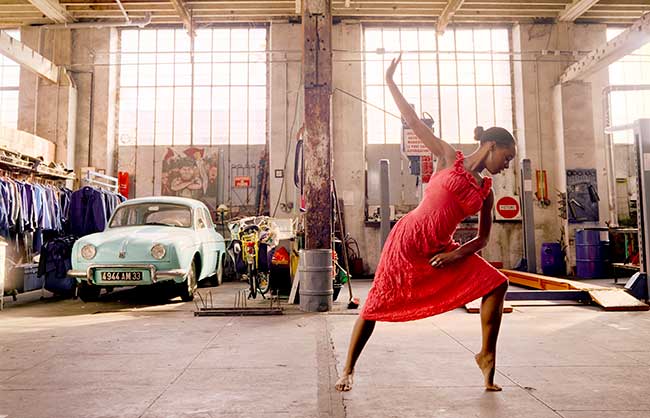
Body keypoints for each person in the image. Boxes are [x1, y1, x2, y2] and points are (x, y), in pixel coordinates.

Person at [335, 54, 516, 393]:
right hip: (408, 238)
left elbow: (480, 240)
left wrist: (453, 256)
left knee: (497, 282)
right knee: (375, 303)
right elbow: (412, 120)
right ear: (491, 146)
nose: (506, 166)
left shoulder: (486, 192)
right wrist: (389, 81)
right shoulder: (449, 157)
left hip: (441, 248)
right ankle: (347, 369)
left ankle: (486, 356)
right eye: (505, 158)